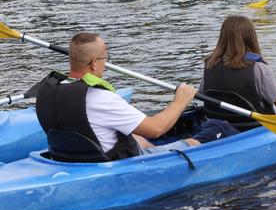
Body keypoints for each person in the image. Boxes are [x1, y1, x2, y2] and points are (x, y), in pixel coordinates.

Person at [35, 32, 202, 161]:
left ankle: (148, 151)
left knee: (137, 137)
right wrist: (180, 101)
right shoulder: (100, 97)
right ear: (94, 63)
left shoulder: (51, 89)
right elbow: (155, 129)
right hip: (108, 161)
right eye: (105, 58)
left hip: (68, 156)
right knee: (195, 144)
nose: (105, 63)